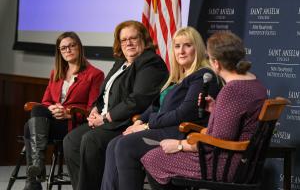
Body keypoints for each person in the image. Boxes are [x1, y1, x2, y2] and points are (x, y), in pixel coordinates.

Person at [141, 31, 268, 190]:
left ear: (216, 63)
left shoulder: (233, 89)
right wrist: (216, 109)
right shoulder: (255, 83)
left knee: (153, 158)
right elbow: (239, 123)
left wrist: (179, 145)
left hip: (224, 164)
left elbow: (217, 141)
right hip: (244, 163)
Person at [100, 27, 222, 190]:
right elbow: (155, 106)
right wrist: (140, 121)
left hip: (180, 131)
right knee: (114, 143)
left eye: (187, 45)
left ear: (197, 49)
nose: (182, 51)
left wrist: (148, 124)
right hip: (163, 128)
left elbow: (185, 113)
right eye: (177, 46)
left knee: (125, 145)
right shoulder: (176, 79)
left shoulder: (202, 75)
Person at [62, 20, 169, 190]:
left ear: (144, 39)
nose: (128, 43)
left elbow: (138, 99)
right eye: (124, 40)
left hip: (125, 122)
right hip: (105, 120)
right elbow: (104, 92)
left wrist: (105, 118)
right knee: (71, 140)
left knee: (90, 140)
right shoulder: (121, 62)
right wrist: (95, 110)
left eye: (133, 38)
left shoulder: (150, 62)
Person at [23, 31, 104, 190]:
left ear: (79, 48)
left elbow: (92, 109)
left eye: (72, 46)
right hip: (51, 120)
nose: (68, 50)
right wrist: (52, 107)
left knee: (29, 127)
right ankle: (37, 166)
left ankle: (33, 181)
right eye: (63, 48)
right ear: (59, 52)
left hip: (72, 124)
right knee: (38, 111)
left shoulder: (95, 74)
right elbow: (45, 101)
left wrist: (67, 112)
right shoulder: (56, 73)